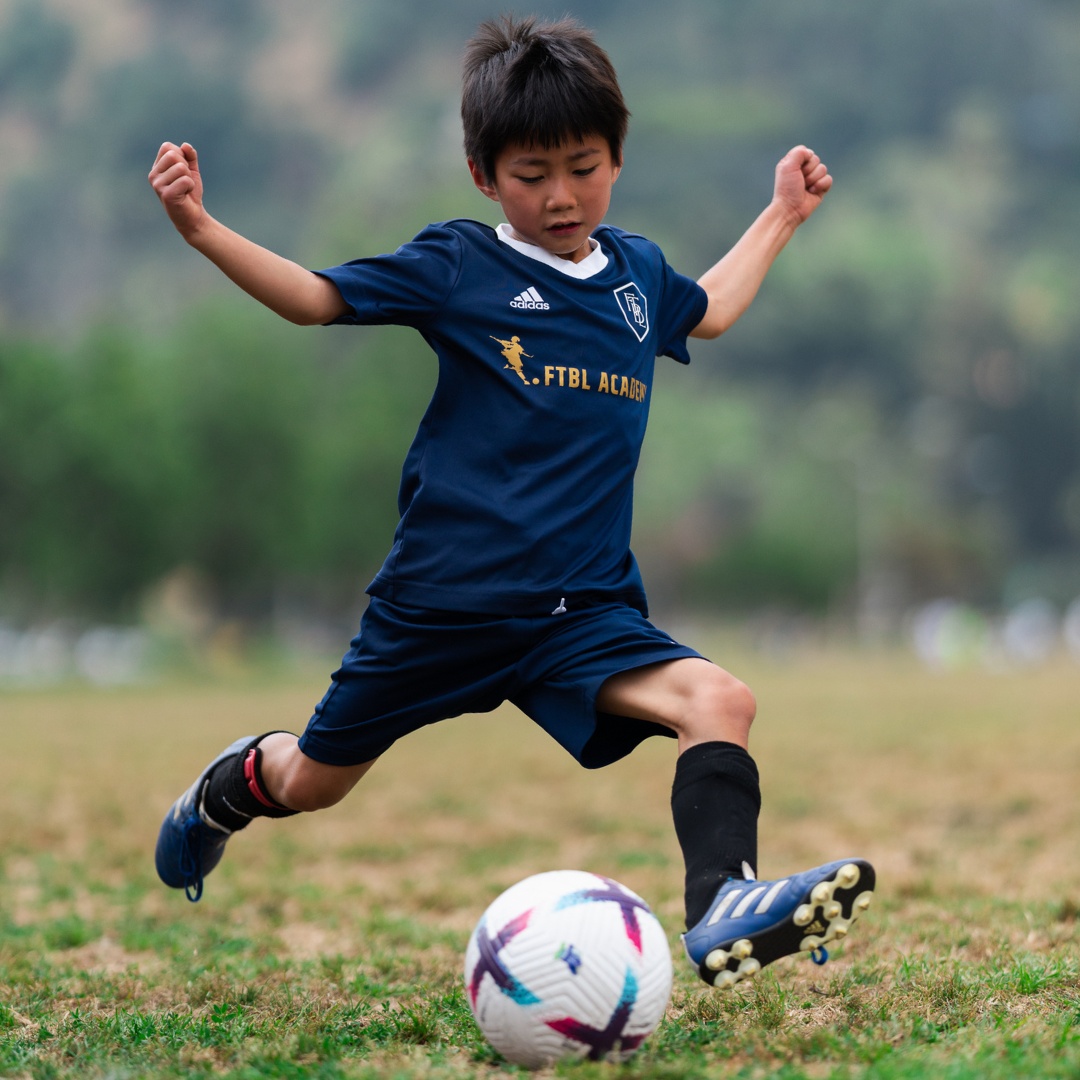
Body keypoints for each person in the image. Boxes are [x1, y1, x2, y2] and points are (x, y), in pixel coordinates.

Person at [148, 14, 874, 989]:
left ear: (618, 157)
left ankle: (719, 906)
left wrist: (781, 214)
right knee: (310, 782)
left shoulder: (636, 278)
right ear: (485, 175)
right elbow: (314, 298)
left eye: (584, 166)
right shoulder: (462, 265)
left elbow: (715, 306)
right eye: (532, 176)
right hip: (442, 607)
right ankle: (222, 796)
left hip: (578, 612)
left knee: (721, 700)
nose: (562, 196)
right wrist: (201, 229)